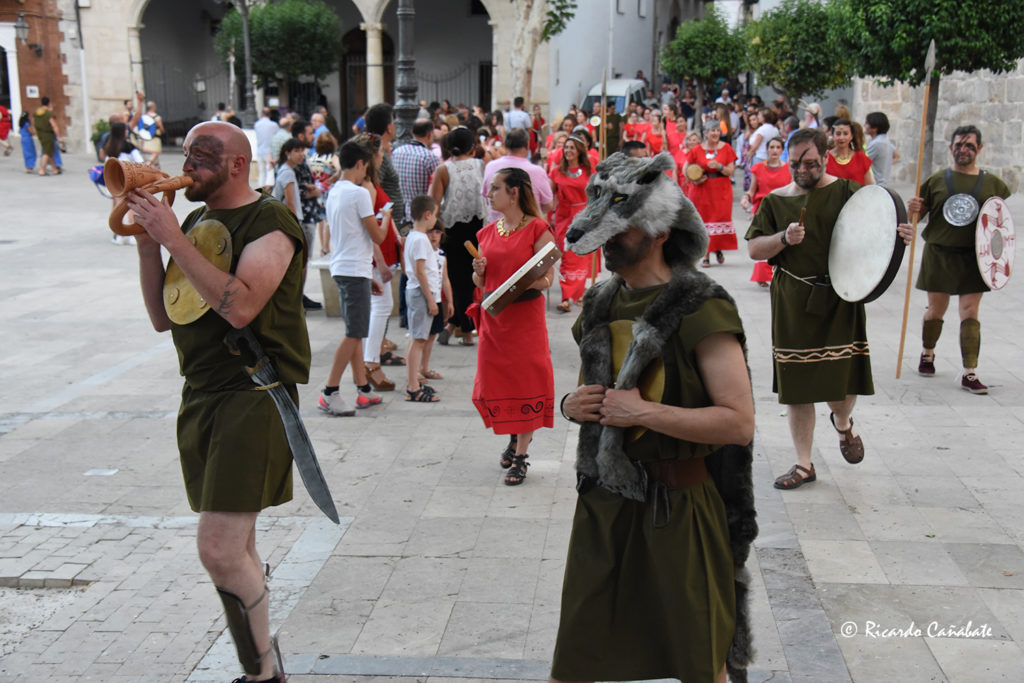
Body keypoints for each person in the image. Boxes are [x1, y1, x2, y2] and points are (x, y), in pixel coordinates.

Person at [551, 151, 756, 683]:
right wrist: (572, 405)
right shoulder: (599, 303)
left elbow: (738, 423)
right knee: (575, 661)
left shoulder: (701, 306)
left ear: (660, 230)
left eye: (622, 226)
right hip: (604, 507)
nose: (607, 237)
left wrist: (645, 412)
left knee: (700, 664)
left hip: (678, 508)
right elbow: (595, 396)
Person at [125, 120, 308, 683]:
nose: (188, 167)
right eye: (187, 155)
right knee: (237, 550)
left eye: (201, 157)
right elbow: (163, 318)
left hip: (251, 395)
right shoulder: (196, 221)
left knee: (219, 550)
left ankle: (262, 675)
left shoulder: (269, 221)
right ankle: (265, 665)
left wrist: (173, 239)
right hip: (202, 395)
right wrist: (148, 245)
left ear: (236, 165)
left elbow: (242, 306)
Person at [745, 128, 914, 489]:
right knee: (797, 387)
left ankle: (843, 422)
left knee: (841, 385)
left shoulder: (849, 193)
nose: (801, 170)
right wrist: (783, 238)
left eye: (810, 163)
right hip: (793, 300)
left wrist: (899, 236)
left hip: (841, 294)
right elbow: (755, 249)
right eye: (795, 164)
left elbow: (877, 231)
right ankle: (804, 464)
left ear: (825, 157)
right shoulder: (775, 201)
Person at [907, 125, 1011, 394]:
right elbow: (916, 219)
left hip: (974, 256)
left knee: (970, 311)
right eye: (959, 145)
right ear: (951, 147)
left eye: (970, 146)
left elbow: (1000, 224)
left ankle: (969, 372)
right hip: (939, 253)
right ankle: (928, 352)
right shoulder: (936, 181)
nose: (963, 150)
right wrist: (912, 209)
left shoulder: (993, 184)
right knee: (935, 310)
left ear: (980, 148)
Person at [471, 168, 556, 486]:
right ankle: (514, 436)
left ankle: (520, 456)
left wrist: (525, 282)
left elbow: (548, 277)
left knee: (526, 383)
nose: (489, 194)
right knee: (499, 383)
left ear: (514, 192)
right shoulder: (486, 233)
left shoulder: (538, 229)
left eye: (495, 188)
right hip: (494, 322)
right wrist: (479, 271)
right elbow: (480, 282)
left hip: (524, 322)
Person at [318, 140, 391, 416]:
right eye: (365, 169)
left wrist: (366, 275)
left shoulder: (334, 191)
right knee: (354, 334)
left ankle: (363, 389)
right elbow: (378, 236)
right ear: (360, 164)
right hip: (353, 269)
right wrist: (386, 216)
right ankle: (329, 391)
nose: (365, 175)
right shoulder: (359, 193)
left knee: (356, 332)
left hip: (345, 268)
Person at [430, 126, 488, 346]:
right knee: (471, 280)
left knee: (457, 280)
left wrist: (431, 230)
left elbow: (434, 203)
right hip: (478, 228)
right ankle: (462, 326)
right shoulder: (482, 165)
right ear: (471, 146)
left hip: (452, 230)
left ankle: (461, 327)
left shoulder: (443, 170)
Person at [403, 196, 447, 402]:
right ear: (428, 215)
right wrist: (431, 299)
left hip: (416, 291)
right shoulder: (421, 239)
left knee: (416, 338)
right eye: (435, 215)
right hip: (421, 294)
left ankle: (414, 381)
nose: (435, 220)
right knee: (419, 340)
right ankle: (413, 387)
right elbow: (420, 271)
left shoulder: (413, 236)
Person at [548, 135, 594, 312]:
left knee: (582, 256)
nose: (568, 150)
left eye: (572, 147)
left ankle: (574, 295)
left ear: (579, 151)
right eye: (566, 147)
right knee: (567, 257)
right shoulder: (556, 171)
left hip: (584, 217)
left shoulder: (588, 170)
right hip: (565, 218)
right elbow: (548, 196)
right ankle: (567, 295)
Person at [685, 126, 738, 267]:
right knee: (705, 221)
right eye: (712, 130)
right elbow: (686, 169)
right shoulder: (697, 150)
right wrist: (695, 180)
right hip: (701, 190)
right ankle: (706, 254)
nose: (715, 133)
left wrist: (719, 166)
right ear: (706, 133)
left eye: (717, 130)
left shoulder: (726, 148)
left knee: (718, 219)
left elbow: (731, 171)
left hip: (721, 189)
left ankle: (717, 248)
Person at [741, 137, 791, 287]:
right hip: (762, 210)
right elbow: (752, 190)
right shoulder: (758, 168)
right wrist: (746, 198)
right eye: (772, 147)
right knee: (762, 241)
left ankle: (778, 273)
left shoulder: (788, 169)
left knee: (779, 241)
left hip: (782, 210)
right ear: (767, 149)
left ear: (782, 150)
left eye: (778, 147)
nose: (774, 150)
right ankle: (762, 275)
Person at [481, 127, 554, 223]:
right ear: (527, 145)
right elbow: (548, 204)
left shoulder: (491, 166)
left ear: (505, 145)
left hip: (497, 225)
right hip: (527, 225)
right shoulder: (537, 171)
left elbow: (486, 197)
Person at [392, 119, 441, 224]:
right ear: (429, 134)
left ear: (412, 133)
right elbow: (437, 188)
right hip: (421, 216)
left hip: (400, 213)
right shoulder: (429, 157)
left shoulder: (396, 152)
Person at [826, 119, 874, 185]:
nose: (841, 137)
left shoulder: (860, 157)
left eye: (845, 134)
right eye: (838, 134)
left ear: (851, 136)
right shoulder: (825, 158)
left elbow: (869, 186)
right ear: (833, 135)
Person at [271, 139, 305, 223]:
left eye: (302, 150)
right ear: (287, 153)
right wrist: (295, 223)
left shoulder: (285, 169)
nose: (301, 154)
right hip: (288, 220)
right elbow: (289, 201)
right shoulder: (288, 172)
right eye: (296, 151)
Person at [864, 111, 896, 187]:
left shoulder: (876, 144)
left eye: (867, 123)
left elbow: (862, 163)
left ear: (874, 128)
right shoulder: (886, 141)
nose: (864, 125)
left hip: (877, 185)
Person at [33, 97, 63, 176]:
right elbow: (54, 125)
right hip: (48, 134)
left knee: (49, 151)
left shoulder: (37, 113)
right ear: (49, 103)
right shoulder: (48, 114)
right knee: (46, 152)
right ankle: (42, 170)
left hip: (40, 133)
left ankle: (55, 169)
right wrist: (59, 137)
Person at [254, 107, 280, 188]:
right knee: (269, 172)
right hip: (270, 152)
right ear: (270, 115)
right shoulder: (274, 125)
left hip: (260, 150)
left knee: (261, 173)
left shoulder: (257, 124)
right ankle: (267, 190)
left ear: (262, 114)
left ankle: (260, 190)